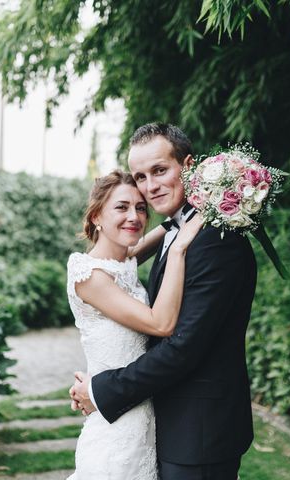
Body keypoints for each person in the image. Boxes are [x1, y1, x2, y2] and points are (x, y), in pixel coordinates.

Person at [70, 123, 258, 479]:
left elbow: (182, 347)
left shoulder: (215, 241)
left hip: (199, 431)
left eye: (159, 170)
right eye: (141, 176)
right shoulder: (180, 231)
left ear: (187, 167)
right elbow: (124, 254)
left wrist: (102, 389)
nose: (150, 186)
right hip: (169, 424)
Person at [65, 169, 202, 479]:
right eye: (122, 207)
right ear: (97, 214)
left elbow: (172, 223)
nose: (135, 216)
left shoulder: (123, 262)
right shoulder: (89, 276)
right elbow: (162, 323)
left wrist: (211, 195)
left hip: (145, 421)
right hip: (115, 432)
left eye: (141, 208)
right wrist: (179, 249)